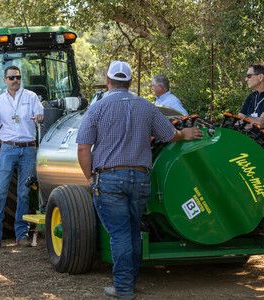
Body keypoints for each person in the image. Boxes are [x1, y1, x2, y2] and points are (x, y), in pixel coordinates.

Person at [76, 61, 202, 299]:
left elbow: (84, 148)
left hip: (110, 178)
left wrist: (90, 178)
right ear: (131, 82)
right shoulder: (147, 107)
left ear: (108, 81)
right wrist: (184, 134)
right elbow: (169, 135)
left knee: (120, 234)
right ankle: (130, 280)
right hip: (141, 178)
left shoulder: (97, 109)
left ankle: (124, 288)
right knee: (133, 231)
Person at [0, 65, 44, 249]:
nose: (15, 80)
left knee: (24, 193)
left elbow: (40, 114)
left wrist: (40, 117)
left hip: (28, 148)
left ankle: (22, 235)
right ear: (5, 80)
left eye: (17, 77)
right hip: (8, 148)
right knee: (1, 191)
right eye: (11, 78)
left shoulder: (31, 97)